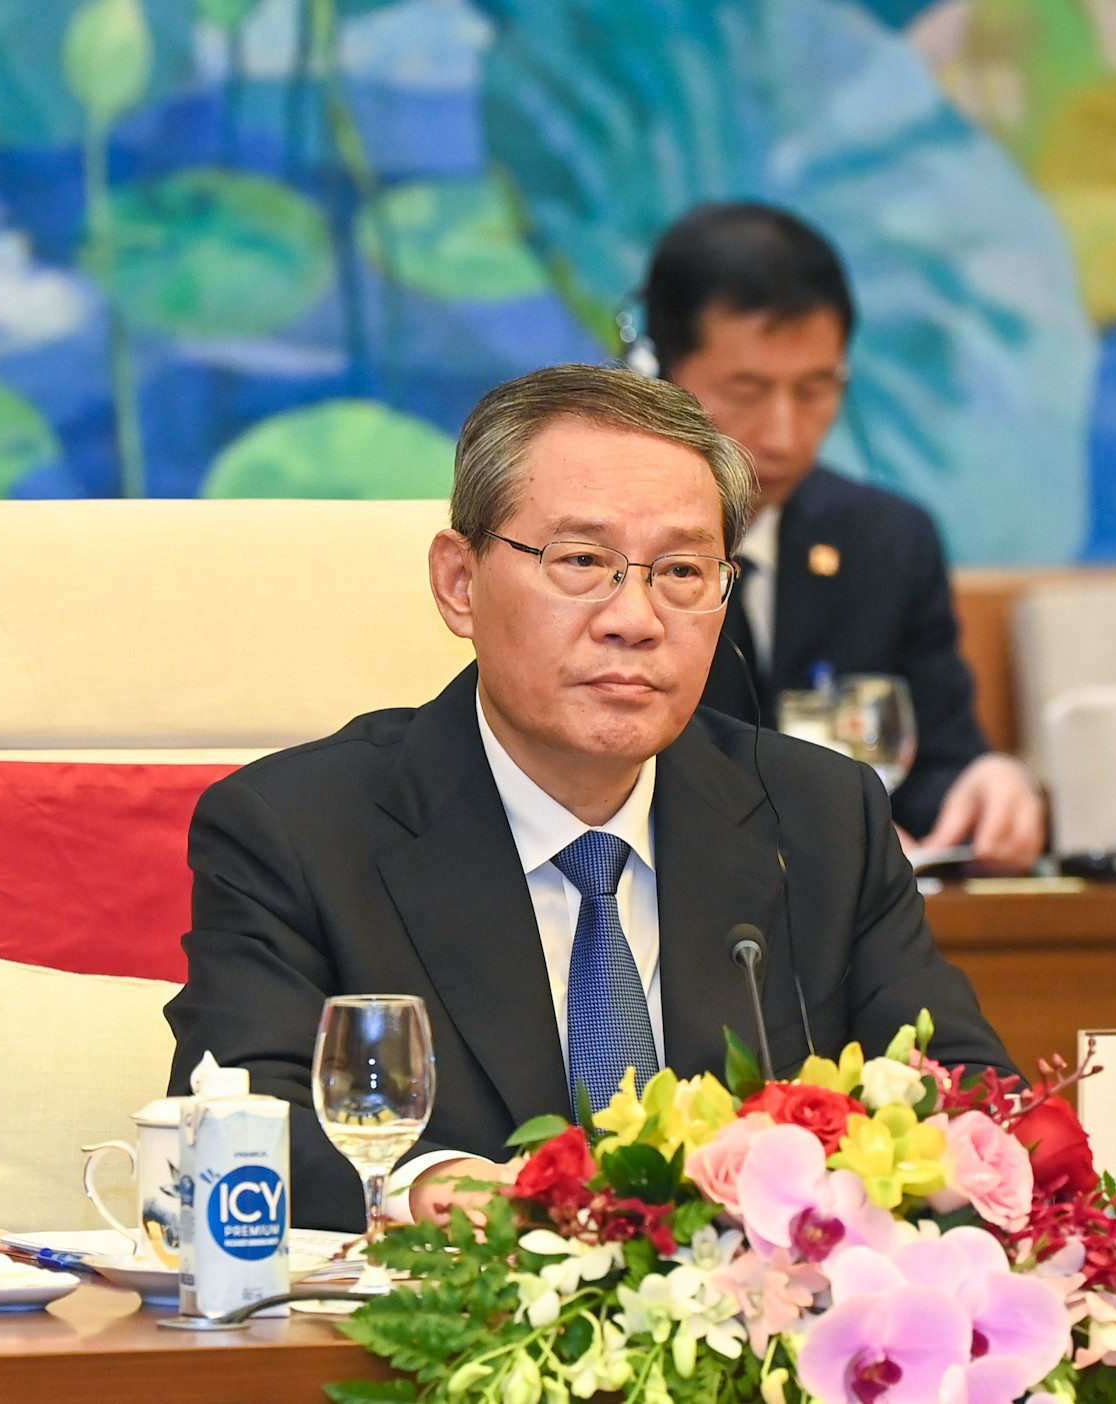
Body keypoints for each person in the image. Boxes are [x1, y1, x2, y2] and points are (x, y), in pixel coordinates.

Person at [164, 365, 1013, 1231]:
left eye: (681, 571)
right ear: (460, 583)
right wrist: (432, 1189)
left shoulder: (822, 818)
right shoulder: (297, 831)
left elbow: (969, 1103)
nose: (635, 619)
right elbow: (239, 1121)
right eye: (582, 562)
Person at [636, 202, 1047, 870]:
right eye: (746, 390)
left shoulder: (887, 541)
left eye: (816, 389)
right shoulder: (604, 557)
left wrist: (985, 786)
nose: (783, 435)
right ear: (659, 374)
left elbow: (935, 766)